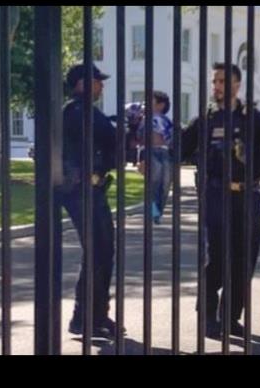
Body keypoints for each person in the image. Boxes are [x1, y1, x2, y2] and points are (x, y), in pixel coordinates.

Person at [180, 62, 260, 338]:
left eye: (222, 81)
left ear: (236, 85)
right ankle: (208, 316)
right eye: (215, 82)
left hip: (248, 196)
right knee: (216, 258)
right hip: (215, 196)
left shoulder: (255, 120)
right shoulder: (206, 120)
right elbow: (180, 147)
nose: (217, 87)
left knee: (244, 259)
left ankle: (230, 317)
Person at [57, 62, 125, 340]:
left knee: (101, 252)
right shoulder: (78, 112)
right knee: (98, 251)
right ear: (82, 84)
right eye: (98, 81)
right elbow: (112, 143)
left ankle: (93, 315)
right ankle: (83, 317)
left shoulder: (85, 113)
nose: (102, 85)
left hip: (90, 190)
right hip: (81, 191)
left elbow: (112, 149)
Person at [136, 91, 175, 224]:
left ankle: (158, 212)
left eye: (150, 101)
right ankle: (152, 213)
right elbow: (140, 140)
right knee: (153, 183)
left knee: (165, 184)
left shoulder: (166, 121)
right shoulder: (144, 120)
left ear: (161, 105)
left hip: (165, 153)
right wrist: (140, 158)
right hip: (150, 152)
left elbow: (172, 139)